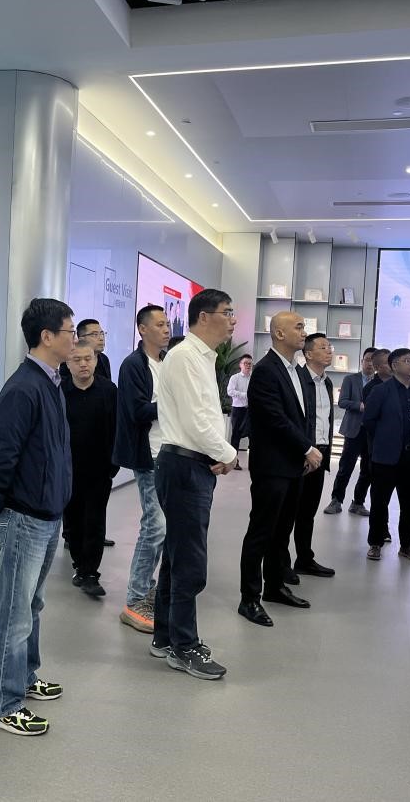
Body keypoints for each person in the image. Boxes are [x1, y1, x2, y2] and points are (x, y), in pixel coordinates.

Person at [0, 298, 74, 736]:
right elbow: (3, 454)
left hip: (48, 512)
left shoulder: (51, 382)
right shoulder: (23, 389)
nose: (75, 339)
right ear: (47, 336)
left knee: (32, 605)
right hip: (24, 516)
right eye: (70, 332)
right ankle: (2, 702)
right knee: (14, 612)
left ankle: (24, 675)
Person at [152, 288, 237, 680]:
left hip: (191, 463)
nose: (232, 320)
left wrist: (217, 452)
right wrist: (228, 453)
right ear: (204, 316)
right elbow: (196, 421)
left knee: (176, 555)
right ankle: (184, 647)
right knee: (190, 562)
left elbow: (205, 416)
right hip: (184, 465)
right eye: (227, 312)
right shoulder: (186, 356)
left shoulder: (202, 357)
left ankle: (165, 637)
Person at [238, 311, 313, 627]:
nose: (304, 332)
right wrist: (307, 448)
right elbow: (275, 419)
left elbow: (300, 416)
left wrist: (303, 452)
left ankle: (275, 586)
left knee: (282, 531)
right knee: (262, 531)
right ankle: (249, 598)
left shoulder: (295, 369)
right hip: (272, 466)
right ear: (279, 333)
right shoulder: (266, 370)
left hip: (292, 465)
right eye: (299, 327)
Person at [114, 304, 170, 633]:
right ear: (143, 329)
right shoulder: (133, 365)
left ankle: (146, 588)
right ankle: (135, 598)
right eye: (159, 324)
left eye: (167, 324)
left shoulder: (167, 361)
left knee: (162, 526)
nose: (166, 329)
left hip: (169, 452)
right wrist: (173, 404)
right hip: (148, 454)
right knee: (155, 526)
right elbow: (136, 411)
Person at [62, 340, 119, 597]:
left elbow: (117, 428)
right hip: (69, 470)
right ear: (68, 363)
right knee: (73, 520)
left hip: (100, 469)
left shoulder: (108, 391)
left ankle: (90, 573)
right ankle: (79, 564)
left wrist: (113, 464)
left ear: (96, 361)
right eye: (77, 360)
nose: (83, 364)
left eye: (88, 358)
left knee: (95, 520)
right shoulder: (61, 391)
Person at [363, 348, 410, 564]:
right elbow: (369, 420)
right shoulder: (381, 391)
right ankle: (375, 542)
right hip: (386, 457)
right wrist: (386, 439)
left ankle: (407, 545)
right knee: (380, 502)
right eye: (406, 360)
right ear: (394, 365)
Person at [287, 333, 337, 580]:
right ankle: (280, 565)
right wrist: (305, 450)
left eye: (330, 347)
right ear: (308, 354)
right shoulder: (297, 379)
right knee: (288, 513)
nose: (329, 351)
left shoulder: (327, 382)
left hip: (321, 452)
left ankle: (305, 559)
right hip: (301, 453)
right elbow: (293, 420)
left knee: (308, 512)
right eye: (323, 347)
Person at [324, 347, 377, 516]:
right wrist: (359, 405)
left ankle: (358, 503)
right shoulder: (350, 379)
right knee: (345, 467)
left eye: (373, 360)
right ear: (362, 361)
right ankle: (336, 500)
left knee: (368, 470)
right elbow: (342, 401)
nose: (370, 363)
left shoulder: (381, 383)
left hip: (372, 433)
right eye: (367, 359)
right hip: (354, 430)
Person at [226, 354, 253, 469]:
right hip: (238, 410)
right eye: (245, 363)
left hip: (251, 410)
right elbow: (230, 391)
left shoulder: (254, 378)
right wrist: (245, 395)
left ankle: (253, 463)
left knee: (253, 436)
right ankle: (234, 462)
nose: (248, 365)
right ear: (240, 365)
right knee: (236, 436)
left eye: (250, 363)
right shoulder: (235, 378)